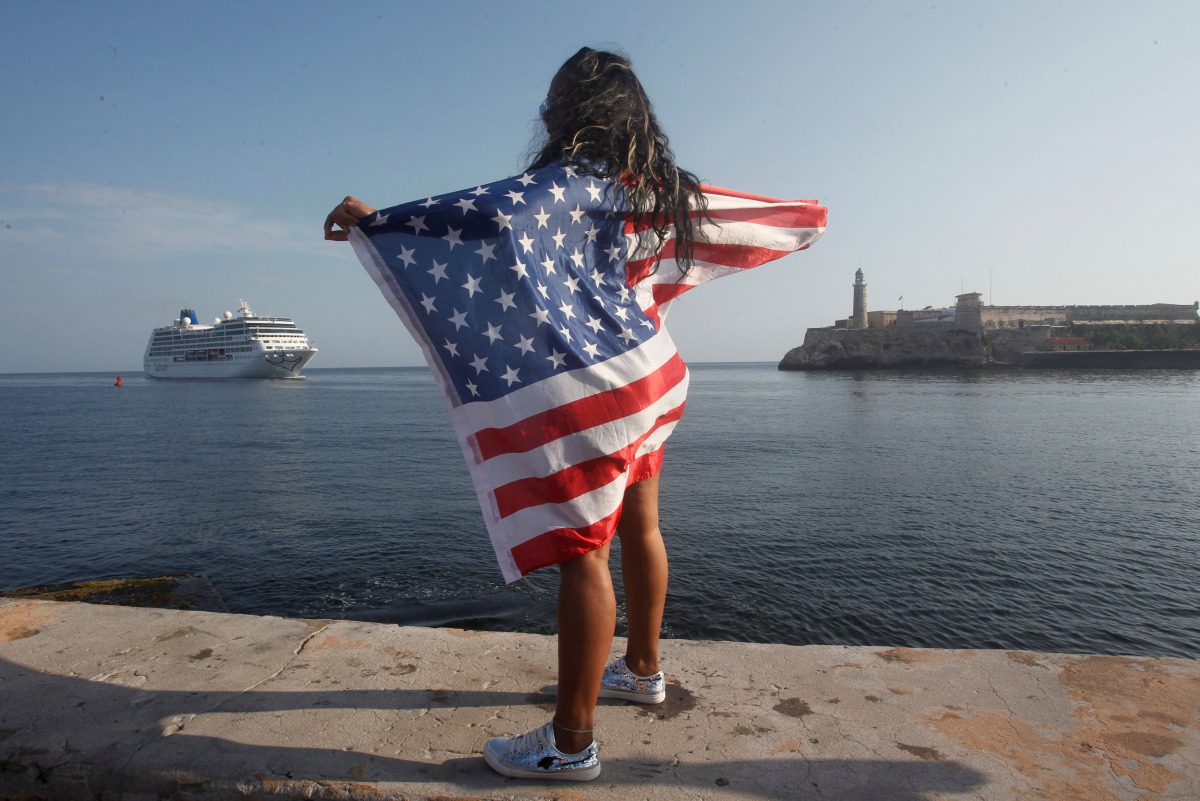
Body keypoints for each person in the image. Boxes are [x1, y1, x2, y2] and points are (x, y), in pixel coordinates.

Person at [325, 47, 826, 782]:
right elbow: (727, 216)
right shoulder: (656, 188)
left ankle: (571, 741)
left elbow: (483, 220)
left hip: (602, 392)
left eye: (553, 103)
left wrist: (380, 221)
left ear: (567, 114)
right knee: (643, 525)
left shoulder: (561, 185)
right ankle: (644, 670)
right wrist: (805, 218)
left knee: (583, 553)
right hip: (656, 375)